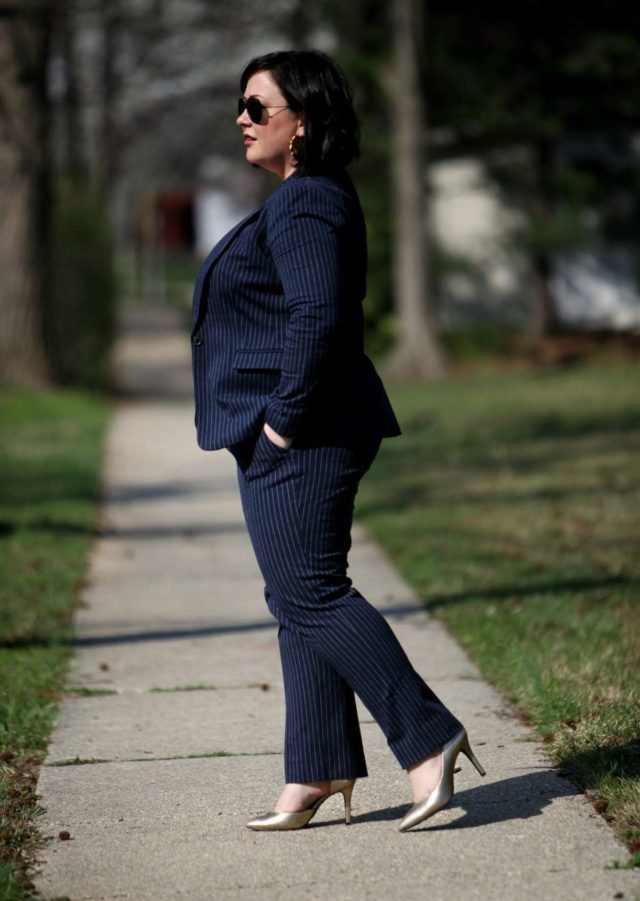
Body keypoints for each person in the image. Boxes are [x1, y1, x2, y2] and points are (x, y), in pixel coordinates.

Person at [191, 49, 485, 832]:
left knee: (312, 593)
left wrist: (282, 418)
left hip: (305, 432)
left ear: (304, 122)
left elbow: (321, 319)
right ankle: (317, 766)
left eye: (259, 106)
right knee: (297, 598)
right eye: (241, 105)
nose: (243, 120)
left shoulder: (307, 201)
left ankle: (428, 737)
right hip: (295, 430)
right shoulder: (301, 200)